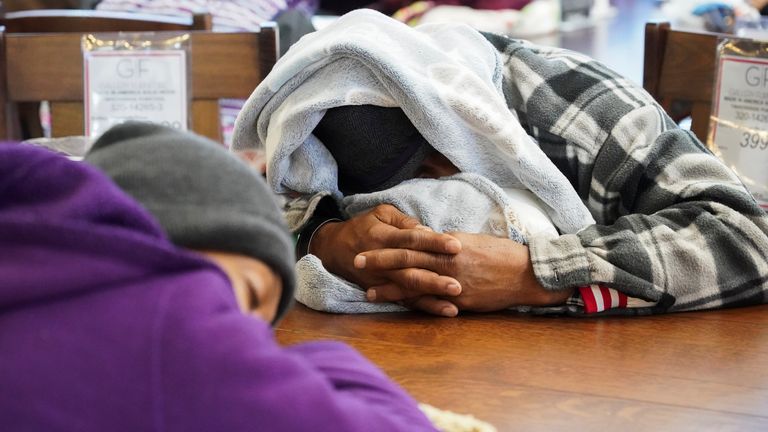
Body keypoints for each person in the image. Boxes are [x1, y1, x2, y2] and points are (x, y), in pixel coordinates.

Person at [232, 9, 768, 317]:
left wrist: (532, 273)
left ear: (464, 123)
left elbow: (748, 239)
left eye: (436, 162)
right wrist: (327, 236)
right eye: (402, 187)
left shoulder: (576, 105)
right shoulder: (314, 137)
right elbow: (261, 211)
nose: (432, 194)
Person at [0, 122, 437, 431]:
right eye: (248, 296)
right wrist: (324, 357)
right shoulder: (173, 325)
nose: (246, 336)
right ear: (188, 231)